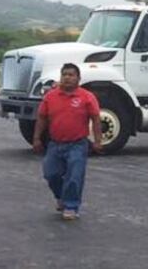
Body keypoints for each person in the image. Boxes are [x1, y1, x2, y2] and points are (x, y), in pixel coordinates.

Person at [33, 63, 103, 221]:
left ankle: (71, 206)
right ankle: (61, 197)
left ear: (78, 78)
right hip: (55, 144)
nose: (67, 78)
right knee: (50, 174)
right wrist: (36, 138)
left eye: (71, 75)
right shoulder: (50, 96)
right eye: (64, 74)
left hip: (77, 145)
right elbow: (42, 118)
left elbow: (96, 119)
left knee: (74, 176)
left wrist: (98, 141)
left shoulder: (86, 97)